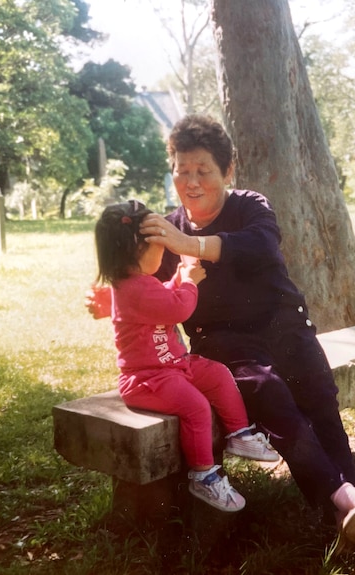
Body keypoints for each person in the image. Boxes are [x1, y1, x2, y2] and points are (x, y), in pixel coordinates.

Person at [138, 114, 355, 547]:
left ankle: (345, 509)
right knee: (272, 394)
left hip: (283, 325)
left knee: (318, 398)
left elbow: (259, 245)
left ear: (228, 171)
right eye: (181, 170)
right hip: (224, 345)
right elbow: (145, 291)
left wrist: (190, 245)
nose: (191, 181)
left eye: (203, 170)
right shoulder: (169, 231)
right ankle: (349, 500)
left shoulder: (250, 206)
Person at [89, 199, 280, 513]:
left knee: (217, 374)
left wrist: (178, 280)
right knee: (196, 407)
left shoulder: (139, 283)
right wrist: (189, 281)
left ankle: (239, 433)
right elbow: (177, 307)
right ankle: (203, 475)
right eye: (160, 245)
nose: (165, 250)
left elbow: (162, 296)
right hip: (147, 380)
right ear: (137, 252)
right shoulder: (133, 289)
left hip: (173, 367)